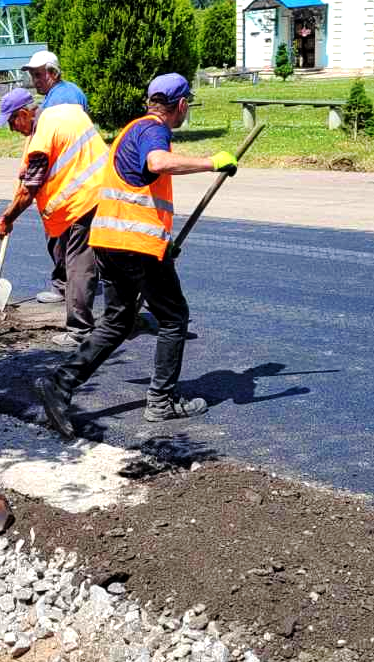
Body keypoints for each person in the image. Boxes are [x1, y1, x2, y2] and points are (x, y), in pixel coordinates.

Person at [33, 73, 240, 438]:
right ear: (180, 105)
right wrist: (212, 162)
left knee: (116, 322)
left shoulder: (132, 129)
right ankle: (160, 402)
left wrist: (165, 241)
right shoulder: (153, 130)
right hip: (133, 246)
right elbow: (158, 163)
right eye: (186, 104)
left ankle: (60, 384)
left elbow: (139, 196)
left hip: (111, 242)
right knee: (174, 317)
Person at [0, 88, 105, 347]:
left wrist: (7, 217)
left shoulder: (42, 136)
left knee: (78, 265)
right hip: (103, 190)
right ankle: (126, 315)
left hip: (84, 200)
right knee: (108, 260)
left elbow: (29, 189)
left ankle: (79, 331)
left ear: (24, 113)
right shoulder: (63, 112)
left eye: (12, 122)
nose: (12, 129)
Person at [20, 50, 91, 306]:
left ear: (53, 73)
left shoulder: (62, 99)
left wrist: (30, 176)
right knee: (74, 245)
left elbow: (53, 142)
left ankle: (67, 293)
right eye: (32, 75)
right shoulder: (68, 93)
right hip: (75, 181)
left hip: (69, 185)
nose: (35, 80)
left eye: (38, 75)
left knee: (64, 241)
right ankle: (68, 287)